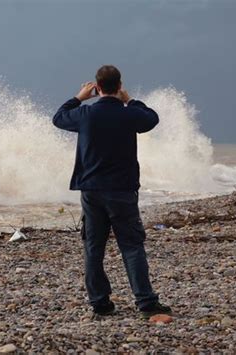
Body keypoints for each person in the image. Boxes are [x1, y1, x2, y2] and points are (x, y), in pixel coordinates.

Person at [52, 65, 172, 318]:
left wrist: (79, 97)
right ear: (119, 86)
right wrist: (129, 99)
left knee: (94, 247)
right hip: (122, 190)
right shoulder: (128, 114)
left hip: (92, 190)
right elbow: (151, 118)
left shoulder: (85, 114)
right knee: (131, 247)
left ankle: (100, 302)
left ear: (97, 87)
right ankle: (146, 302)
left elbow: (59, 117)